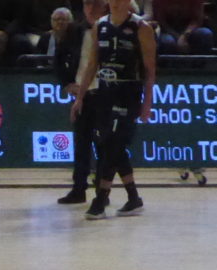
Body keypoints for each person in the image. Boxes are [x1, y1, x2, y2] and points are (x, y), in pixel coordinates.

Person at [71, 0, 155, 219]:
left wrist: (147, 103)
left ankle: (100, 198)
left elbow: (150, 69)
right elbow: (92, 64)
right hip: (105, 91)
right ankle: (133, 197)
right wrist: (79, 97)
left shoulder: (141, 28)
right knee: (109, 142)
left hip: (129, 92)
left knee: (114, 144)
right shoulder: (100, 25)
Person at [56, 0, 105, 204]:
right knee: (81, 143)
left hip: (105, 94)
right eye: (87, 5)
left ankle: (103, 192)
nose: (91, 9)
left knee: (104, 145)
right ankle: (79, 189)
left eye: (96, 4)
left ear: (105, 6)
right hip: (82, 95)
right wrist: (68, 83)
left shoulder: (112, 30)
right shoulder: (74, 31)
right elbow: (58, 60)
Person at [150, 0, 215, 54]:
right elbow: (161, 21)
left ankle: (199, 67)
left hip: (190, 30)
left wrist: (185, 36)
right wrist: (177, 37)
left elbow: (197, 20)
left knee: (205, 34)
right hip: (166, 31)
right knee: (167, 42)